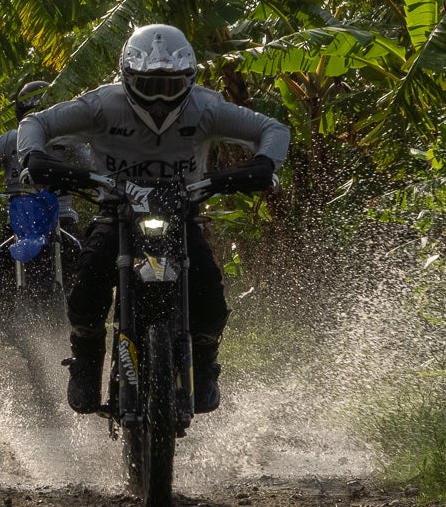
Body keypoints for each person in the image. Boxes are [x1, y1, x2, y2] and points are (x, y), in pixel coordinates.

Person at [16, 23, 288, 416]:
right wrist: (32, 157)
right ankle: (87, 361)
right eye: (149, 84)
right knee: (88, 281)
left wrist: (265, 164)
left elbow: (272, 128)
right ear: (127, 77)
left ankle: (206, 363)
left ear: (189, 80)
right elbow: (35, 122)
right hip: (117, 213)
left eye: (170, 84)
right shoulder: (101, 105)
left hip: (183, 214)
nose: (160, 97)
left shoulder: (206, 107)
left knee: (210, 290)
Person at [0, 81, 86, 291]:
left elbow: (92, 164)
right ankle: (1, 320)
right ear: (21, 116)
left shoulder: (69, 141)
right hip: (20, 220)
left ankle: (84, 321)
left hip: (61, 216)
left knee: (87, 265)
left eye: (41, 113)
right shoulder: (6, 141)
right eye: (30, 115)